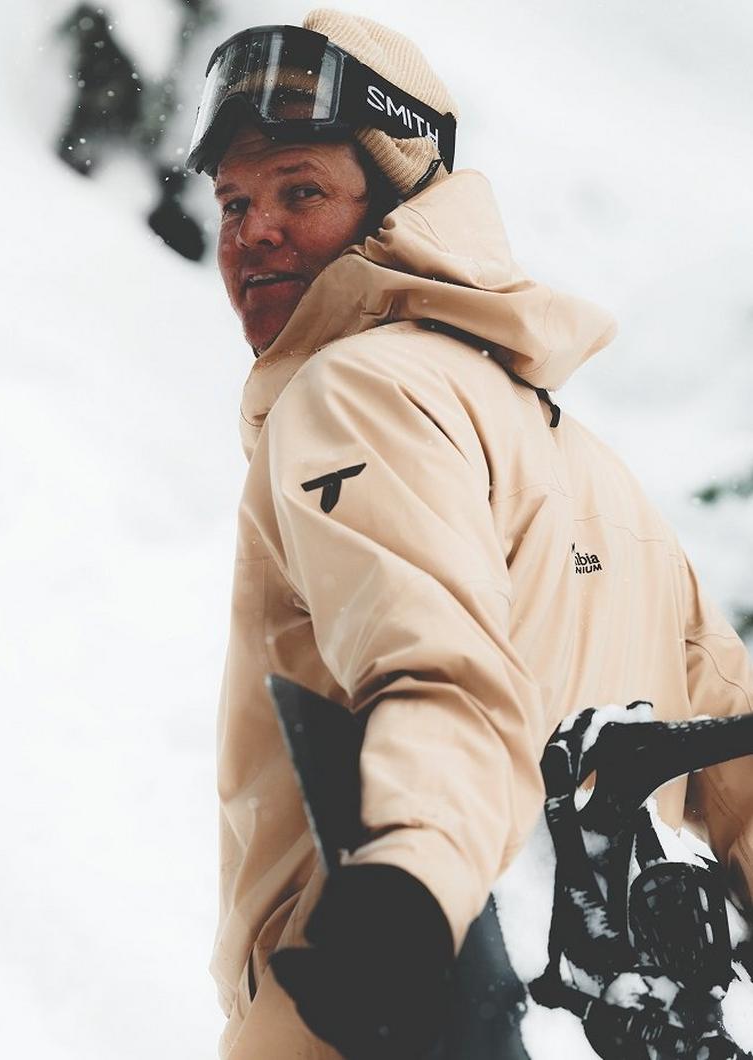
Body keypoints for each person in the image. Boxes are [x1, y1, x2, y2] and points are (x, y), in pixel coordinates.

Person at [186, 10, 753, 1059]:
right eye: (233, 202)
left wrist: (403, 890)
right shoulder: (584, 463)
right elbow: (735, 753)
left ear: (396, 200)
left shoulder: (352, 393)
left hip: (383, 1008)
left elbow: (437, 668)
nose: (252, 232)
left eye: (299, 190)